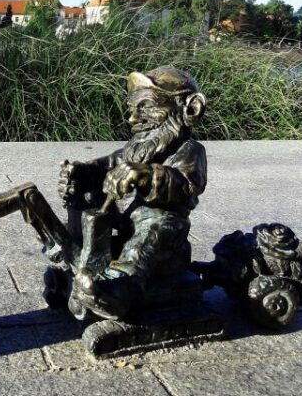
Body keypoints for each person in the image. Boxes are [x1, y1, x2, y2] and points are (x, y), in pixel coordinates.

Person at [58, 67, 207, 319]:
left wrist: (146, 174)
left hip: (162, 224)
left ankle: (120, 289)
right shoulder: (136, 149)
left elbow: (187, 186)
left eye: (145, 107)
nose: (132, 119)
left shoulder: (190, 150)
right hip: (126, 218)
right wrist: (81, 172)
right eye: (132, 109)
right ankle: (82, 260)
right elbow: (107, 165)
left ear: (189, 108)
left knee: (150, 234)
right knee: (88, 198)